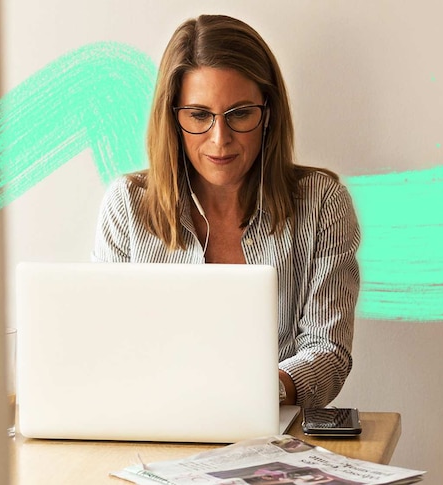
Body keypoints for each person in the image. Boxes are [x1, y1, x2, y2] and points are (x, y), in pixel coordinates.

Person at [91, 14, 360, 409]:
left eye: (239, 114)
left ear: (267, 113)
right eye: (199, 115)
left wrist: (258, 392)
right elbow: (104, 344)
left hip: (274, 434)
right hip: (150, 427)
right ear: (173, 118)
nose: (220, 140)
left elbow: (329, 352)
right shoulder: (127, 205)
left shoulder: (322, 203)